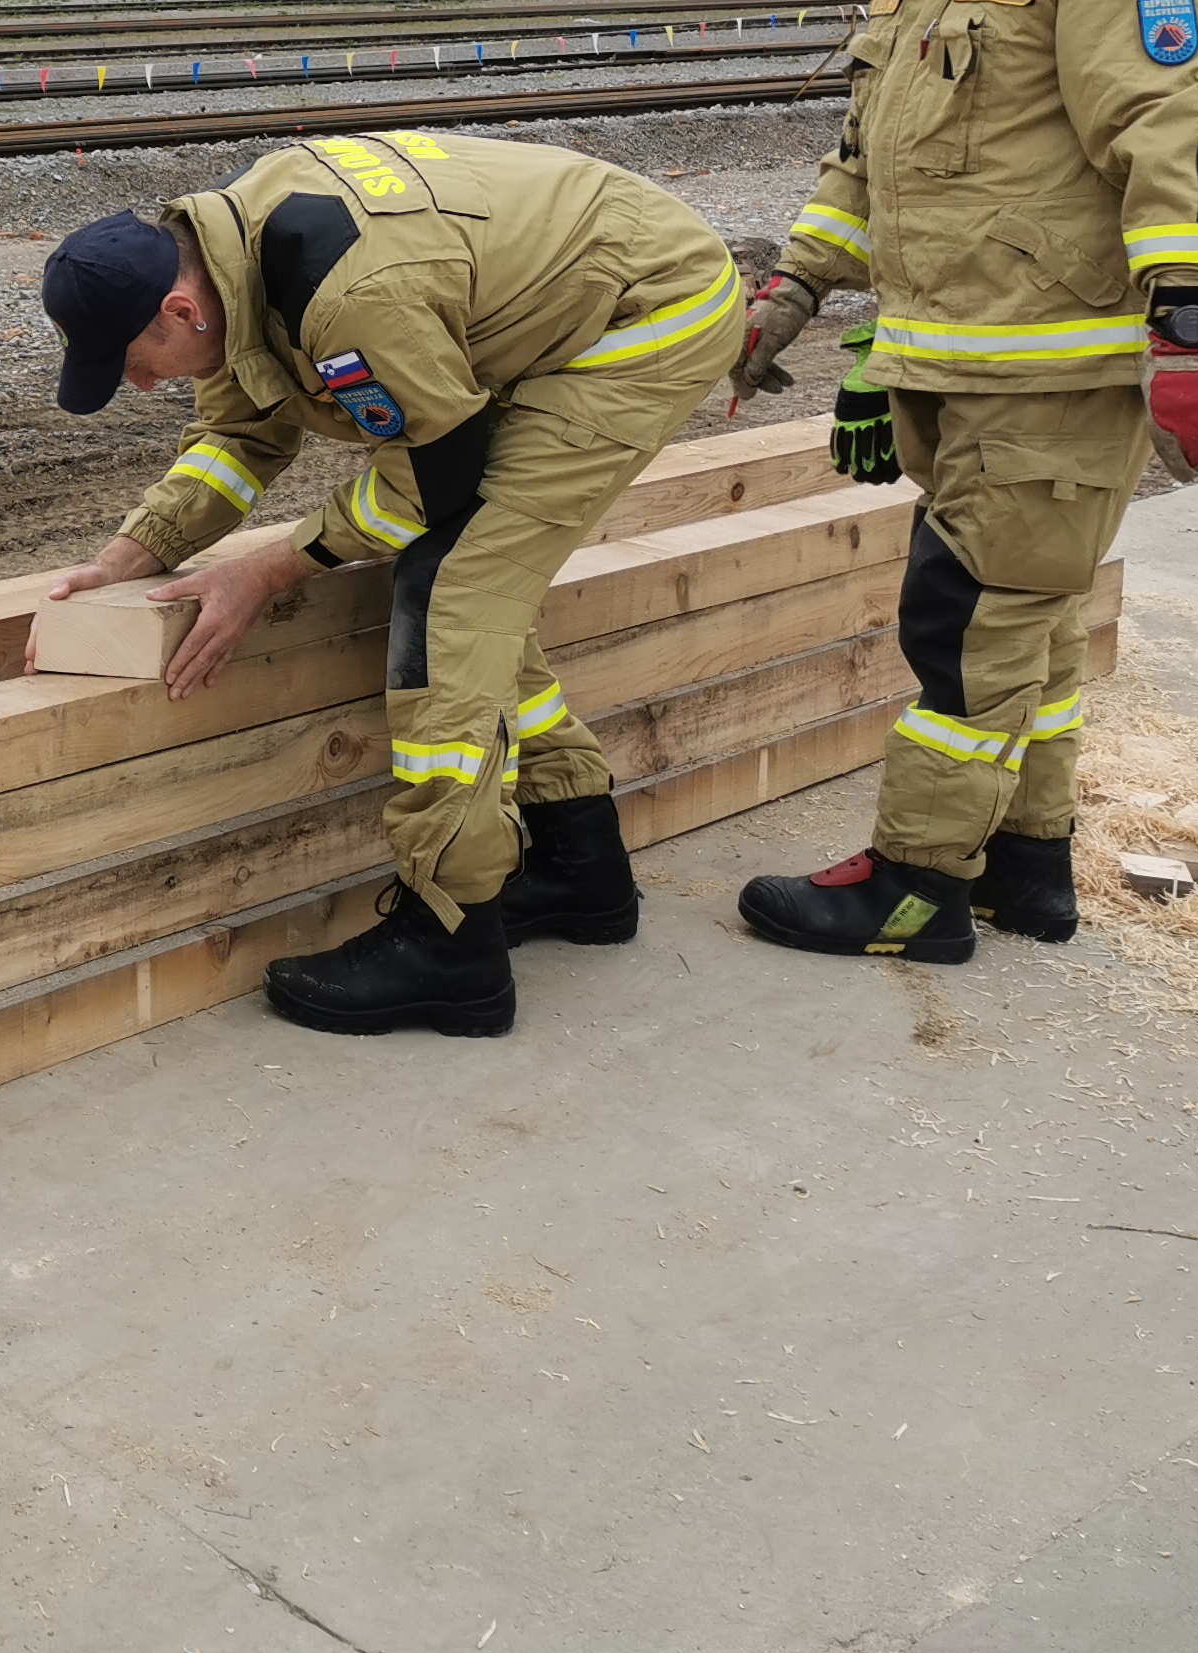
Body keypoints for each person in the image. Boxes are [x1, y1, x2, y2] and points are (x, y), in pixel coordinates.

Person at [731, 0, 1198, 965]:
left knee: (964, 626)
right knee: (1033, 623)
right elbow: (869, 162)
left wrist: (1189, 326)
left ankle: (914, 891)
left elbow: (1172, 128)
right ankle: (1030, 867)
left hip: (1052, 371)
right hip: (958, 361)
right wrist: (789, 297)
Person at [39, 130, 743, 1037]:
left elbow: (437, 471)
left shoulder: (347, 296)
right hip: (549, 298)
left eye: (134, 364)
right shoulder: (233, 260)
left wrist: (271, 568)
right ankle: (580, 871)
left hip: (642, 317)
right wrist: (131, 554)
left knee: (450, 592)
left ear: (180, 310)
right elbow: (241, 434)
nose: (137, 387)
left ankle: (453, 944)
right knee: (464, 575)